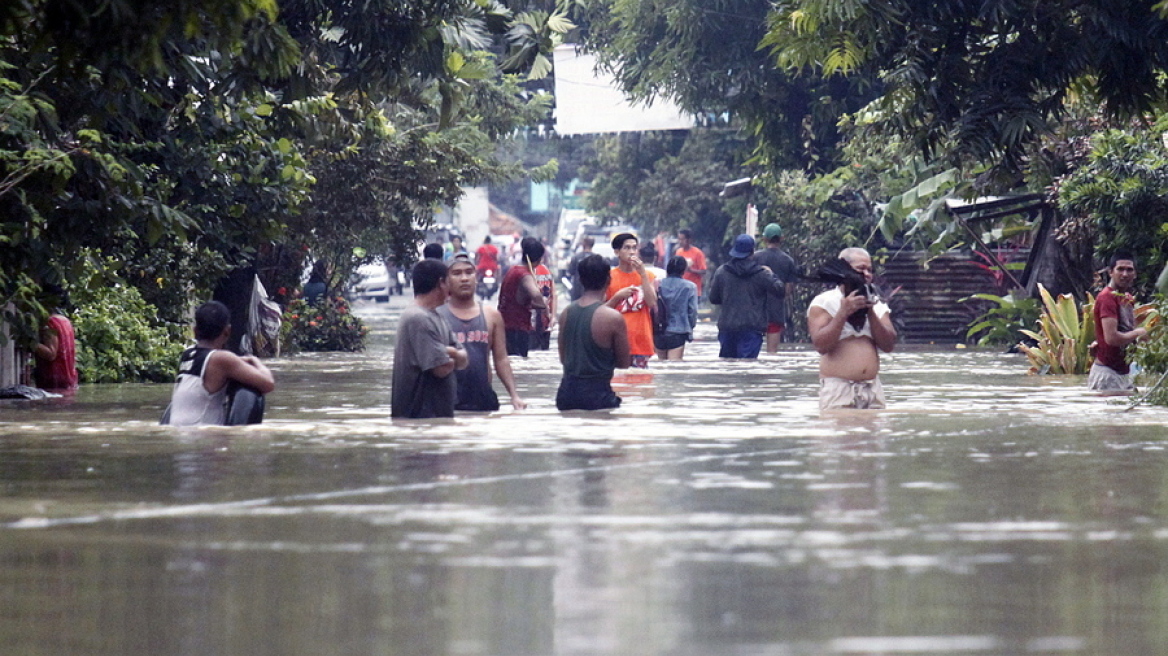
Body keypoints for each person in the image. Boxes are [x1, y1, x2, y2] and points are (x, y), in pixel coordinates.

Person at [807, 247, 897, 412]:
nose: (867, 274)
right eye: (861, 269)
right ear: (845, 270)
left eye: (870, 270)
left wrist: (870, 311)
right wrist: (843, 312)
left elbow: (889, 345)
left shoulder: (877, 303)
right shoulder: (824, 302)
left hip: (872, 389)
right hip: (838, 389)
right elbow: (821, 345)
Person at [437, 254, 526, 411]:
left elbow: (501, 359)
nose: (464, 279)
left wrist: (514, 395)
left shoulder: (492, 316)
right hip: (446, 399)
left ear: (476, 278)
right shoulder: (436, 316)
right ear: (446, 281)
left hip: (482, 398)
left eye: (469, 272)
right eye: (457, 274)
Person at [169, 301, 276, 426]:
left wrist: (238, 361)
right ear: (227, 331)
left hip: (178, 431)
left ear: (195, 331)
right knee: (252, 391)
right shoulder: (222, 360)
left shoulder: (187, 354)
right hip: (202, 434)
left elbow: (212, 363)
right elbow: (268, 384)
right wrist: (255, 361)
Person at [391, 259, 468, 418]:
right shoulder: (418, 318)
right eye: (448, 281)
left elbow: (464, 360)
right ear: (441, 283)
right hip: (419, 418)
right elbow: (441, 369)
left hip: (437, 418)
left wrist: (449, 352)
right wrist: (452, 354)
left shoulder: (437, 316)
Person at [556, 254, 631, 410]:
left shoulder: (566, 313)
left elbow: (563, 359)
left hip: (565, 395)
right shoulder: (613, 318)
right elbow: (624, 363)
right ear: (608, 280)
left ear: (580, 280)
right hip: (598, 396)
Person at [708, 234, 786, 359]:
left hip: (727, 327)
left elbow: (713, 298)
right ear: (752, 252)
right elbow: (780, 291)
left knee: (728, 364)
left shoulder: (722, 272)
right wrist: (771, 274)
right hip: (752, 328)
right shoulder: (762, 274)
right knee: (748, 365)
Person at [1088, 251, 1147, 394]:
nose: (1125, 274)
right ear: (1110, 272)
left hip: (1124, 372)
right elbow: (1112, 338)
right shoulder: (1107, 297)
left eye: (1129, 270)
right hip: (1108, 374)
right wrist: (1138, 333)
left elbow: (1126, 331)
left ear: (1135, 274)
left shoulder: (1127, 298)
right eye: (1120, 269)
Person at [605, 233, 657, 368]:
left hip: (641, 342)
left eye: (634, 248)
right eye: (627, 248)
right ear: (617, 252)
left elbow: (651, 302)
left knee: (641, 380)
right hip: (616, 342)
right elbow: (601, 311)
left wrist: (643, 274)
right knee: (618, 380)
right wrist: (617, 297)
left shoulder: (648, 275)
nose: (632, 252)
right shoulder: (608, 277)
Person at [753, 223, 801, 353]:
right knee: (772, 353)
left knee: (751, 353)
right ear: (781, 238)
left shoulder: (755, 257)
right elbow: (788, 290)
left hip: (755, 312)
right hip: (776, 311)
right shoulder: (788, 260)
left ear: (764, 239)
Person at [497, 237, 549, 357]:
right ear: (539, 259)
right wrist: (544, 306)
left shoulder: (512, 270)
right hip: (517, 330)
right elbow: (536, 296)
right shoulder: (525, 275)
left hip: (503, 327)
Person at [32, 284, 78, 391]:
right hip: (68, 380)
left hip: (53, 382)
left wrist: (30, 343)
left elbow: (51, 354)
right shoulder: (65, 321)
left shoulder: (50, 322)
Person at [654, 256, 698, 360]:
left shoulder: (658, 284)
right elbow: (692, 312)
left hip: (659, 331)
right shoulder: (690, 287)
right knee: (674, 366)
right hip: (678, 332)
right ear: (683, 270)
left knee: (660, 365)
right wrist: (689, 327)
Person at [531, 251, 556, 350]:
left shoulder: (526, 271)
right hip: (545, 320)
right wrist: (553, 316)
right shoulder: (546, 271)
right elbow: (553, 295)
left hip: (531, 322)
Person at [675, 228, 708, 299]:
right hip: (681, 289)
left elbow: (703, 271)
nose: (680, 242)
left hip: (694, 290)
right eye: (679, 239)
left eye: (682, 239)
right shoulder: (678, 252)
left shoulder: (698, 253)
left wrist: (691, 270)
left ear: (689, 240)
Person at [566, 236, 595, 301]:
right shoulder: (596, 258)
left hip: (577, 289)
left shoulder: (576, 257)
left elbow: (570, 272)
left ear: (583, 244)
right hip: (592, 290)